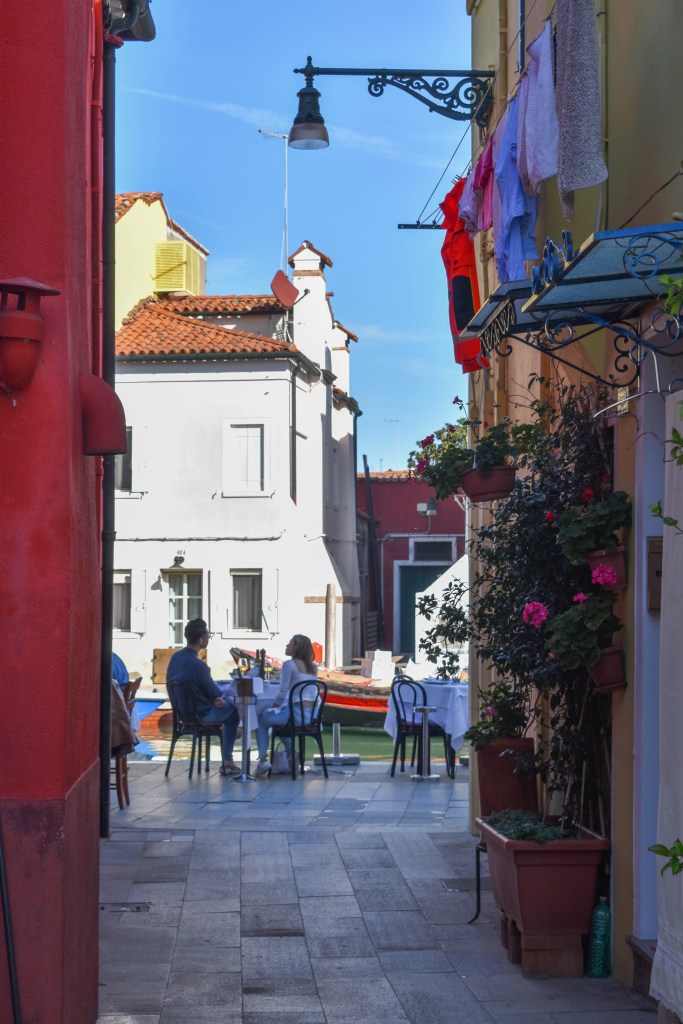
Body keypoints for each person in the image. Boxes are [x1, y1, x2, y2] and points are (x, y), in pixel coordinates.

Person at [166, 618, 241, 776]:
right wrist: (216, 698)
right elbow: (215, 691)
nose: (208, 638)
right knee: (234, 710)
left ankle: (232, 736)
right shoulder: (198, 665)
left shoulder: (175, 658)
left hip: (183, 715)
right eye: (207, 636)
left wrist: (214, 698)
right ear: (201, 640)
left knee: (226, 709)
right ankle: (228, 761)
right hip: (201, 715)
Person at [253, 634, 319, 777]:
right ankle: (292, 752)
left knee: (262, 720)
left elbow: (282, 692)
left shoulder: (289, 665)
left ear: (296, 647)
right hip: (310, 716)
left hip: (295, 716)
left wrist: (275, 706)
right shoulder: (313, 667)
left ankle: (263, 760)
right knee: (277, 720)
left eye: (289, 643)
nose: (286, 646)